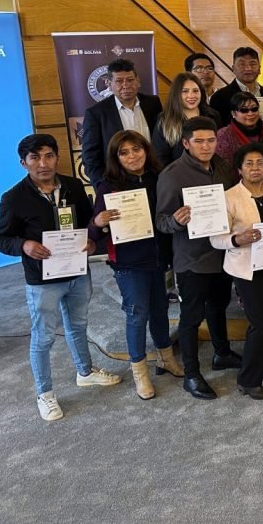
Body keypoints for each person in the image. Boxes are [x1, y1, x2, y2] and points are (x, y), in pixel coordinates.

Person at [0, 134, 121, 421]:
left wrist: (92, 240)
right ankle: (45, 393)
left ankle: (85, 371)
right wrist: (24, 245)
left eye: (49, 156)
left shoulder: (73, 186)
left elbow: (89, 223)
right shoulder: (13, 198)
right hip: (43, 280)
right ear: (23, 163)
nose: (43, 163)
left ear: (57, 157)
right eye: (35, 158)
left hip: (77, 271)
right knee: (43, 337)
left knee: (78, 325)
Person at [89, 131, 181, 400]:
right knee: (137, 314)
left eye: (136, 149)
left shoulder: (159, 177)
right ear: (116, 157)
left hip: (160, 257)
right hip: (129, 262)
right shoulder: (108, 186)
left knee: (160, 310)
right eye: (124, 152)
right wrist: (98, 222)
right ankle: (140, 371)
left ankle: (166, 358)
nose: (132, 156)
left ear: (146, 150)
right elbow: (94, 232)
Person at [155, 116, 241, 400]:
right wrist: (177, 221)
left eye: (211, 140)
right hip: (192, 258)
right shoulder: (172, 174)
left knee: (219, 305)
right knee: (191, 316)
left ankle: (222, 353)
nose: (206, 146)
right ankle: (191, 375)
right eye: (199, 141)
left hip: (222, 253)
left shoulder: (223, 167)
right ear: (186, 143)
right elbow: (161, 221)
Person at [210, 143, 263, 400]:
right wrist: (238, 238)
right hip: (246, 268)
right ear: (239, 169)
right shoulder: (229, 197)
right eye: (249, 163)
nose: (255, 168)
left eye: (260, 163)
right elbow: (215, 239)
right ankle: (248, 379)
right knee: (261, 323)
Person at [81, 58, 162, 189]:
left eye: (130, 80)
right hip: (118, 183)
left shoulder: (153, 103)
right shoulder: (96, 113)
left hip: (154, 178)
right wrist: (102, 187)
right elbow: (90, 157)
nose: (125, 85)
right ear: (109, 84)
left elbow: (161, 142)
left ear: (138, 81)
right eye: (119, 81)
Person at [152, 72, 219, 167]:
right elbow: (160, 157)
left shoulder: (213, 116)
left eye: (195, 91)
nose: (191, 96)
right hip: (177, 173)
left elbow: (220, 148)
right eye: (185, 91)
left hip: (211, 172)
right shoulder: (164, 120)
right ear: (176, 94)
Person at [216, 92, 263, 182]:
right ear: (233, 113)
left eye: (254, 109)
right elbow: (224, 170)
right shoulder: (223, 136)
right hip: (239, 186)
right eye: (244, 110)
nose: (250, 113)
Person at [209, 46, 263, 126]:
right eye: (242, 64)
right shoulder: (219, 97)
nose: (248, 68)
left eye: (252, 64)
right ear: (233, 68)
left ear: (259, 68)